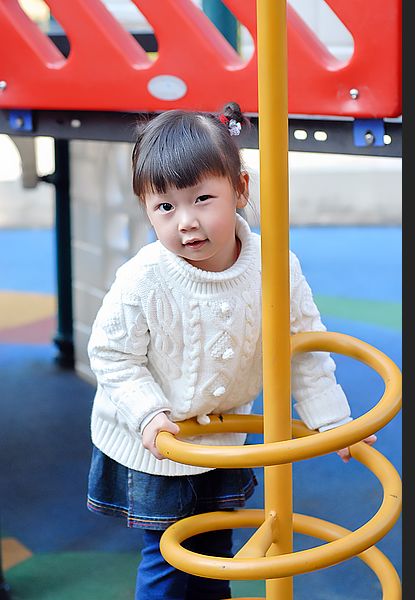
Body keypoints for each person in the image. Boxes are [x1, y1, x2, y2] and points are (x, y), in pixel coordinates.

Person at [86, 102, 376, 600]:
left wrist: (331, 418)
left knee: (217, 547)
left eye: (202, 199)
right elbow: (112, 354)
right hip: (158, 442)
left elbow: (302, 343)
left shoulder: (274, 265)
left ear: (240, 189)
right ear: (145, 208)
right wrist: (148, 414)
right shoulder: (145, 279)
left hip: (222, 436)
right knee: (169, 557)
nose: (186, 223)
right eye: (165, 207)